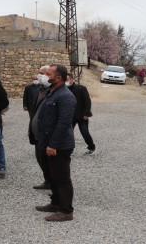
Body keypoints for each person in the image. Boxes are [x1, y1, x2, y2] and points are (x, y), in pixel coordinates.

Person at [34, 64, 77, 221]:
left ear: (58, 78)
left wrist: (53, 144)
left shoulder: (66, 96)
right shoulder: (51, 92)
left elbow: (64, 123)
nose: (44, 75)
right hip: (46, 143)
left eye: (48, 73)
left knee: (61, 177)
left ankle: (66, 211)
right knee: (51, 176)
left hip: (59, 145)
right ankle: (56, 203)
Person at [24, 70, 50, 190]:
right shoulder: (38, 90)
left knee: (51, 162)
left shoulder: (56, 92)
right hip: (38, 135)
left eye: (44, 73)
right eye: (40, 73)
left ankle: (56, 189)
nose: (41, 76)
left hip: (48, 136)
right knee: (40, 159)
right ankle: (48, 180)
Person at [67, 73, 96, 155]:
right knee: (68, 134)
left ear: (72, 80)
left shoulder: (81, 88)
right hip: (70, 116)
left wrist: (86, 113)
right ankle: (68, 149)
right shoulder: (63, 90)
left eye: (67, 79)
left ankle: (91, 147)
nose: (66, 81)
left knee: (85, 132)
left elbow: (87, 101)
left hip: (82, 116)